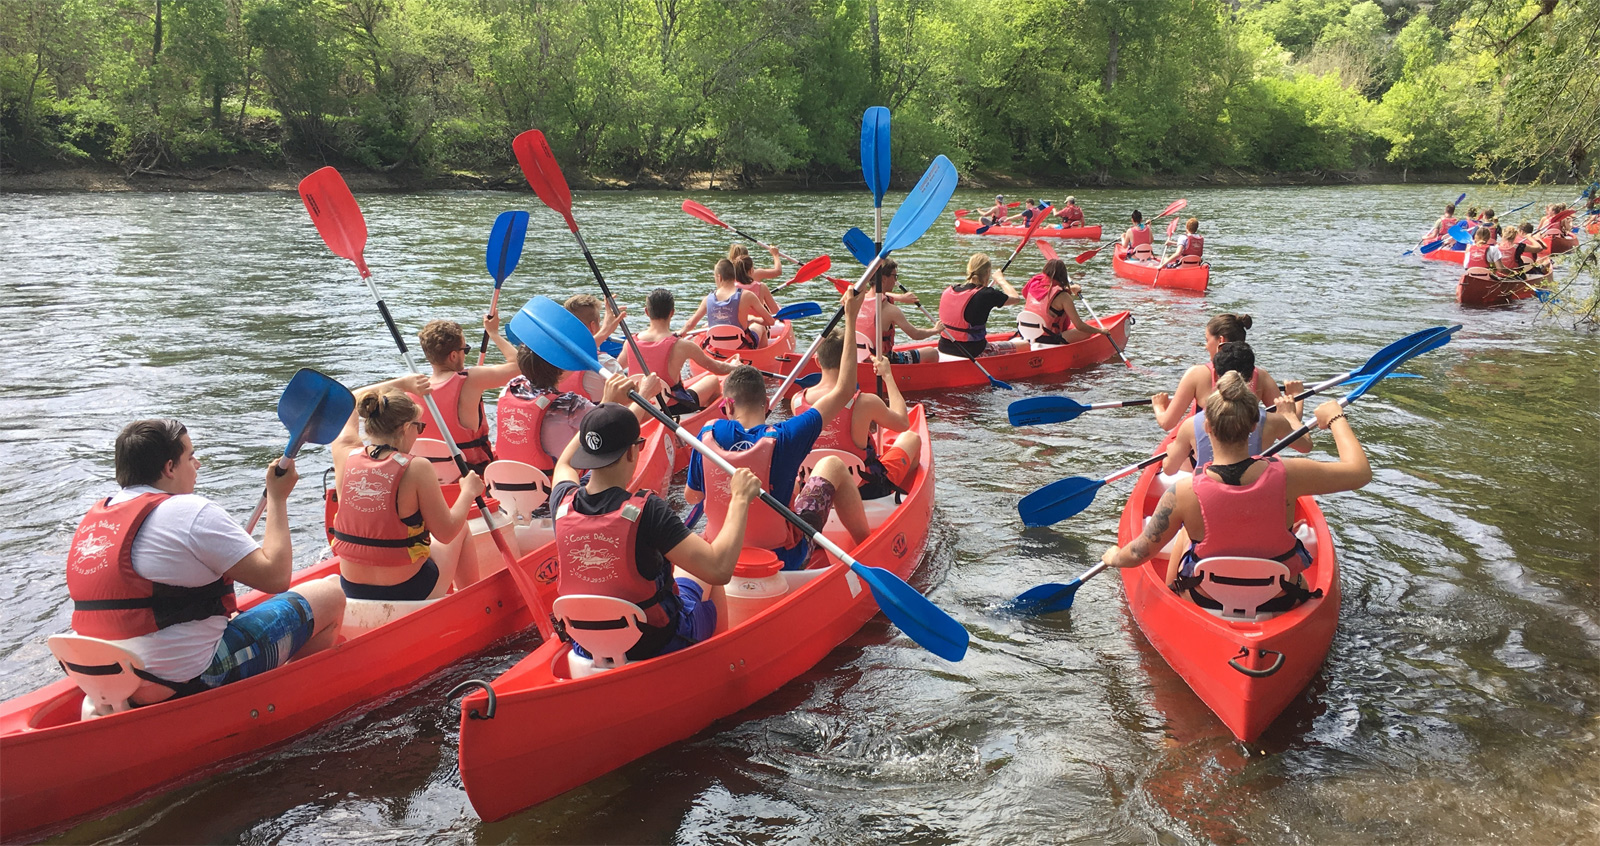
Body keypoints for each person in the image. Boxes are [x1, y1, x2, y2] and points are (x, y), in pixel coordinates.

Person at [66, 419, 344, 705]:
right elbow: (275, 577)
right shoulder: (189, 511)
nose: (197, 465)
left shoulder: (95, 520)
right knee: (331, 592)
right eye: (190, 456)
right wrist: (277, 497)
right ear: (169, 468)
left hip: (104, 678)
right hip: (183, 680)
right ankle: (291, 702)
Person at [1101, 372, 1372, 613]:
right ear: (1254, 426)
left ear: (1207, 428)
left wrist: (1115, 557)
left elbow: (1137, 554)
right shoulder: (1291, 475)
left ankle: (1174, 594)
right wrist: (1335, 417)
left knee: (1185, 537)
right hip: (1280, 600)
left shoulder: (1183, 492)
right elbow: (1360, 473)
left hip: (1204, 600)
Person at [550, 403, 762, 658]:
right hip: (654, 641)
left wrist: (604, 409)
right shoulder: (648, 510)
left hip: (585, 643)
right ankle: (720, 660)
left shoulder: (561, 501)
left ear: (586, 452)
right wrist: (739, 498)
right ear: (632, 452)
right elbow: (719, 569)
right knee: (706, 573)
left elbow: (564, 463)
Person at [686, 289, 874, 570]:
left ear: (727, 405)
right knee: (832, 465)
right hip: (785, 557)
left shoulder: (706, 434)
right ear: (765, 403)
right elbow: (845, 389)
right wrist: (850, 317)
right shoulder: (786, 436)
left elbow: (693, 497)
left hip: (723, 547)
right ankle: (868, 549)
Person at [330, 378, 488, 598]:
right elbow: (446, 533)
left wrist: (402, 384)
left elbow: (349, 399)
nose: (419, 433)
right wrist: (468, 492)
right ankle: (473, 602)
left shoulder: (344, 452)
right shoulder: (417, 468)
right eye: (420, 427)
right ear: (406, 428)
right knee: (461, 528)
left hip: (352, 586)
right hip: (407, 588)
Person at [789, 334, 922, 501]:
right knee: (911, 438)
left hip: (815, 487)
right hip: (866, 490)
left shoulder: (797, 401)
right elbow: (903, 423)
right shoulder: (865, 402)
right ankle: (903, 496)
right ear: (852, 361)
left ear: (817, 361)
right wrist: (888, 375)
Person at [497, 343, 665, 473]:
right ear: (560, 370)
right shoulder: (570, 405)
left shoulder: (511, 387)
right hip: (556, 490)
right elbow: (617, 427)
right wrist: (644, 393)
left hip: (506, 486)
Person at [1161, 342, 1310, 474]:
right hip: (1251, 493)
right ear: (1252, 375)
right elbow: (1306, 446)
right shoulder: (1273, 422)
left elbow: (1169, 470)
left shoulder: (1190, 426)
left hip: (1208, 495)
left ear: (1214, 374)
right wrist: (1289, 415)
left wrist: (1170, 453)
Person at [412, 315, 520, 475]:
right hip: (472, 475)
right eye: (465, 349)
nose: (466, 354)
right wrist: (493, 333)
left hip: (429, 477)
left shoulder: (411, 389)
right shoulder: (471, 379)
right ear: (453, 356)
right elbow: (519, 365)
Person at [1151, 313, 1281, 430]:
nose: (1206, 346)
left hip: (1202, 451)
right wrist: (1296, 395)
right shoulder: (1262, 376)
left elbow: (1167, 423)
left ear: (1221, 341)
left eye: (1207, 340)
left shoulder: (1197, 374)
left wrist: (1159, 405)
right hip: (1245, 449)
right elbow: (1286, 419)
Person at [621, 288, 740, 414]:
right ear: (672, 312)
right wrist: (735, 367)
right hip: (671, 410)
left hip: (639, 409)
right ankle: (703, 418)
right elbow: (718, 368)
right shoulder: (682, 345)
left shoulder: (629, 343)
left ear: (647, 312)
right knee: (713, 380)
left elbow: (617, 368)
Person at [938, 253, 1029, 361]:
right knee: (1025, 345)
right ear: (988, 273)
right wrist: (1001, 280)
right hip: (975, 352)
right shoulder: (987, 294)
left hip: (944, 347)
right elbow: (1015, 298)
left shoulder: (950, 289)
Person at [678, 258, 776, 348]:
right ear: (734, 276)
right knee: (760, 327)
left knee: (705, 329)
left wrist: (679, 332)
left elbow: (690, 324)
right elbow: (770, 321)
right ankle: (760, 356)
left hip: (716, 345)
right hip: (742, 345)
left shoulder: (707, 299)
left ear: (719, 277)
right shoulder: (747, 296)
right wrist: (753, 319)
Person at [859, 258, 942, 363]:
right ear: (884, 279)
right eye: (894, 277)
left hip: (860, 358)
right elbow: (915, 334)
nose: (895, 281)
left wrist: (900, 297)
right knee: (931, 353)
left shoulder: (858, 300)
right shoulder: (890, 310)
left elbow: (879, 293)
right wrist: (936, 330)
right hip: (884, 361)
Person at [1019, 258, 1113, 346]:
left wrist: (1070, 289)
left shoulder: (1033, 284)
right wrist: (1100, 331)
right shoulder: (1064, 297)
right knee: (1087, 330)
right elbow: (1079, 326)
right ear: (1063, 276)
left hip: (1026, 334)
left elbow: (1046, 291)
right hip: (1049, 338)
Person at [559, 294, 626, 401]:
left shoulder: (552, 361)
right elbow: (627, 401)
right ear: (593, 326)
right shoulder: (606, 363)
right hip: (598, 416)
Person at [728, 249, 783, 316]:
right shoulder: (762, 286)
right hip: (758, 323)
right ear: (751, 270)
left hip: (737, 324)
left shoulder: (729, 286)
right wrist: (775, 255)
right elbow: (776, 312)